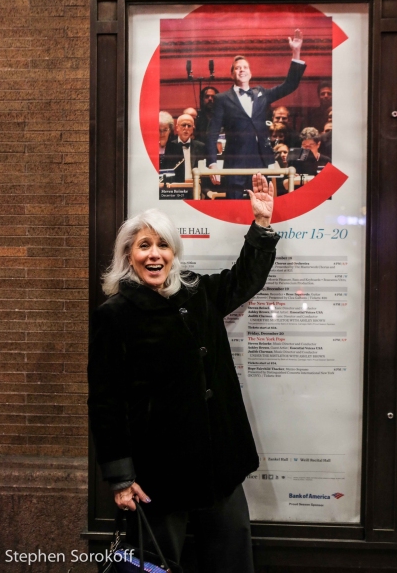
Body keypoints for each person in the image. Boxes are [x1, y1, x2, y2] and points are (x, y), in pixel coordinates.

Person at [88, 174, 279, 573]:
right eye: (144, 246)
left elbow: (244, 279)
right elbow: (106, 400)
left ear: (173, 252)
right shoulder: (115, 315)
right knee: (155, 564)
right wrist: (120, 478)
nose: (154, 255)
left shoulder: (197, 292)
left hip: (219, 459)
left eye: (162, 245)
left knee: (231, 559)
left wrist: (260, 225)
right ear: (128, 255)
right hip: (159, 471)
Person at [206, 29, 306, 199]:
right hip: (234, 164)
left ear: (250, 73)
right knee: (235, 209)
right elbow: (212, 133)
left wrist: (296, 52)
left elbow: (289, 85)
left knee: (262, 208)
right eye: (237, 68)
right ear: (232, 74)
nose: (242, 70)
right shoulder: (221, 99)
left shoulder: (262, 94)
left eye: (245, 67)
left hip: (261, 162)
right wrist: (213, 164)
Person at [161, 113, 206, 183]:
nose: (186, 128)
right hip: (175, 187)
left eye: (189, 126)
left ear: (193, 128)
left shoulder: (201, 147)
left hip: (195, 186)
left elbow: (203, 173)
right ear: (177, 127)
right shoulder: (169, 146)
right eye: (183, 125)